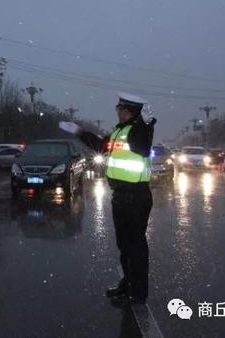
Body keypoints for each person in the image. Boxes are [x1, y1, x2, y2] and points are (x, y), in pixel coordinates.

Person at [59, 92, 156, 306]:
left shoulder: (137, 131)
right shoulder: (118, 132)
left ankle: (138, 293)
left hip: (136, 195)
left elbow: (142, 146)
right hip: (120, 195)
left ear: (129, 110)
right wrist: (78, 131)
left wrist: (146, 123)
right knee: (124, 245)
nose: (117, 111)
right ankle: (127, 284)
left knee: (136, 246)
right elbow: (99, 145)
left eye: (119, 108)